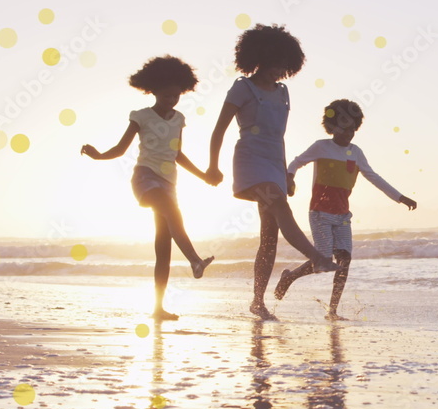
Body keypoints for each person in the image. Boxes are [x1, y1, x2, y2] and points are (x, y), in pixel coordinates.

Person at [205, 24, 338, 321]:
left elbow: (279, 136)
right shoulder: (243, 87)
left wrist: (287, 173)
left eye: (284, 66)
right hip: (251, 163)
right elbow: (219, 130)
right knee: (279, 205)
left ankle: (257, 301)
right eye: (275, 63)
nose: (279, 71)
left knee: (270, 237)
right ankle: (316, 257)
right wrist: (213, 165)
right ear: (261, 58)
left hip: (274, 164)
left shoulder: (283, 92)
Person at [81, 55, 215, 321]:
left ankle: (157, 308)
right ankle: (195, 260)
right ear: (153, 91)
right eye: (167, 95)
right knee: (172, 213)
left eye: (176, 96)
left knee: (163, 248)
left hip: (169, 182)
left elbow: (178, 154)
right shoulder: (140, 116)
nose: (172, 100)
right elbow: (121, 149)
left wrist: (202, 175)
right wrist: (98, 155)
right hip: (145, 177)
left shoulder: (179, 120)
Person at [274, 99, 417, 321]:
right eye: (344, 126)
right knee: (322, 259)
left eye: (353, 128)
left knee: (345, 259)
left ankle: (332, 311)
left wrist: (399, 197)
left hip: (342, 215)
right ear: (332, 126)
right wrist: (289, 177)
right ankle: (290, 277)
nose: (349, 132)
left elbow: (374, 177)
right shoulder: (321, 146)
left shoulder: (356, 153)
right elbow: (296, 162)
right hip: (320, 212)